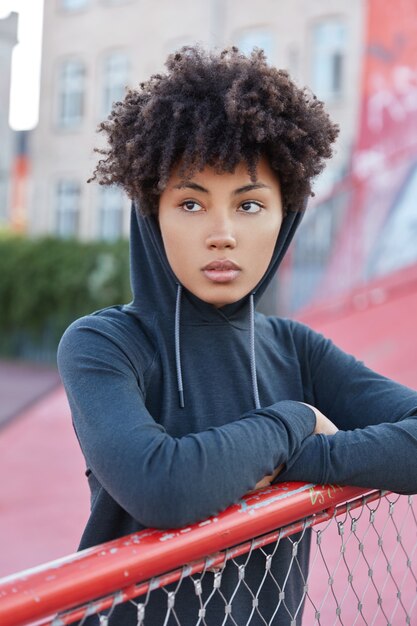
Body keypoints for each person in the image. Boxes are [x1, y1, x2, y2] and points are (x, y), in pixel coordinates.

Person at [57, 45, 417, 625]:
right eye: (192, 202)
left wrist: (310, 458)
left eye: (249, 204)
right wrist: (294, 419)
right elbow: (164, 488)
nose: (222, 234)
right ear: (153, 212)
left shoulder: (297, 349)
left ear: (286, 216)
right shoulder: (105, 344)